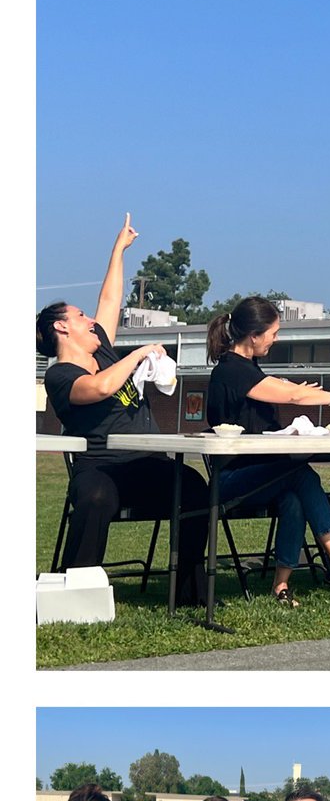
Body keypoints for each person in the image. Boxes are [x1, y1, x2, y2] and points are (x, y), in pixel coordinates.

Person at [37, 215, 209, 605]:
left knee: (196, 488)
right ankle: (75, 597)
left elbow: (111, 300)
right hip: (100, 468)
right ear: (62, 328)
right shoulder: (60, 376)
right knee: (95, 500)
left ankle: (187, 593)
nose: (91, 320)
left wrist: (119, 249)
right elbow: (98, 388)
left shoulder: (104, 349)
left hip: (146, 463)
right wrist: (138, 354)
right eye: (81, 317)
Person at [206, 295, 330, 604]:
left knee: (294, 497)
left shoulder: (249, 370)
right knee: (302, 475)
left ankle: (280, 587)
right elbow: (292, 398)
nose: (276, 339)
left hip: (265, 476)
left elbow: (286, 393)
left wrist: (294, 392)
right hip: (231, 481)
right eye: (273, 333)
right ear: (254, 336)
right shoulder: (232, 371)